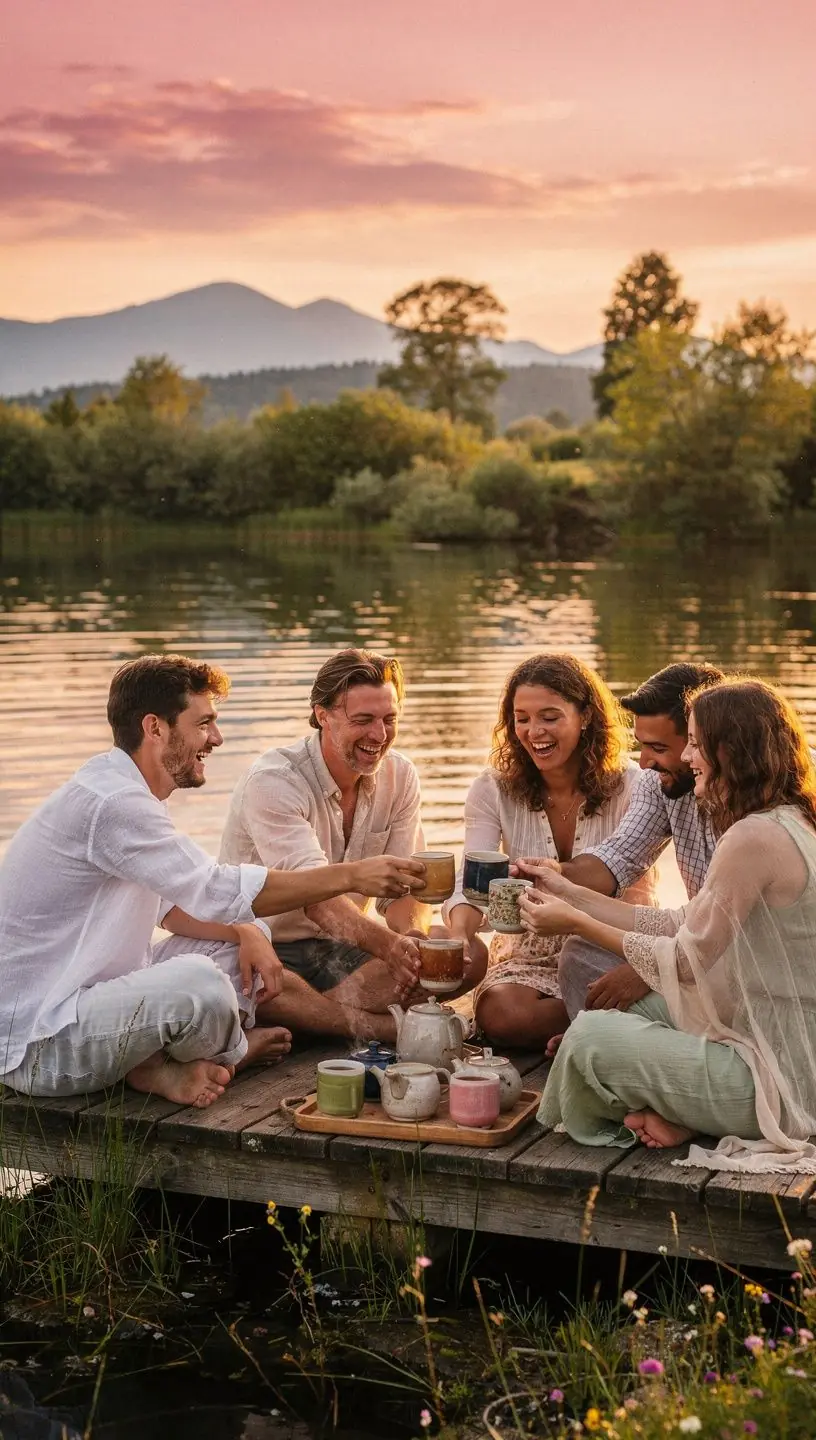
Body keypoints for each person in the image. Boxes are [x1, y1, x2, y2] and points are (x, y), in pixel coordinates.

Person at [0, 655, 424, 1108]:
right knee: (201, 985)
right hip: (39, 1041)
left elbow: (172, 904)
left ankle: (165, 1062)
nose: (216, 739)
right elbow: (213, 889)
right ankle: (205, 1060)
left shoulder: (130, 791)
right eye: (204, 724)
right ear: (155, 728)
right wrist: (355, 874)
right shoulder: (114, 802)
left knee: (236, 949)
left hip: (96, 1002)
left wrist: (245, 931)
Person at [522, 678, 816, 1174]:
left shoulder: (753, 837)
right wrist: (568, 890)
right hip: (771, 1032)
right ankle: (687, 1114)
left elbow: (683, 957)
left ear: (727, 750)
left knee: (591, 1040)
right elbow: (679, 922)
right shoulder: (788, 818)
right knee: (631, 1006)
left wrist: (574, 921)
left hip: (783, 1078)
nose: (690, 756)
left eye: (696, 743)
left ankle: (696, 1116)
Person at [219, 648, 488, 1043]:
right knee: (256, 983)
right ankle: (376, 1025)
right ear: (323, 715)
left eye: (389, 719)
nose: (379, 736)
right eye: (363, 720)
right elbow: (316, 897)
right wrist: (389, 946)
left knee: (466, 956)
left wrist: (409, 939)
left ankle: (313, 1017)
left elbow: (405, 890)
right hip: (266, 945)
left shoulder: (400, 775)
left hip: (341, 947)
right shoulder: (273, 781)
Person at [444, 653, 657, 1048]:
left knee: (624, 989)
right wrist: (459, 934)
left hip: (612, 940)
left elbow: (639, 893)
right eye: (521, 718)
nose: (533, 731)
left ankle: (590, 1028)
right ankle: (599, 1026)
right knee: (502, 1015)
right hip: (528, 947)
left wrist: (641, 967)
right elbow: (471, 880)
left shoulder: (635, 784)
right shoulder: (492, 788)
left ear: (586, 716)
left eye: (549, 716)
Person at [538, 661, 724, 1022]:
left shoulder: (765, 802)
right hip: (689, 943)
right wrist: (555, 874)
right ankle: (602, 1037)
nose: (645, 762)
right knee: (581, 955)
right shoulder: (659, 782)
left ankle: (614, 1043)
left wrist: (650, 968)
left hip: (752, 962)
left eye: (657, 747)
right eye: (640, 745)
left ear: (702, 740)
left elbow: (745, 933)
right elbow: (618, 856)